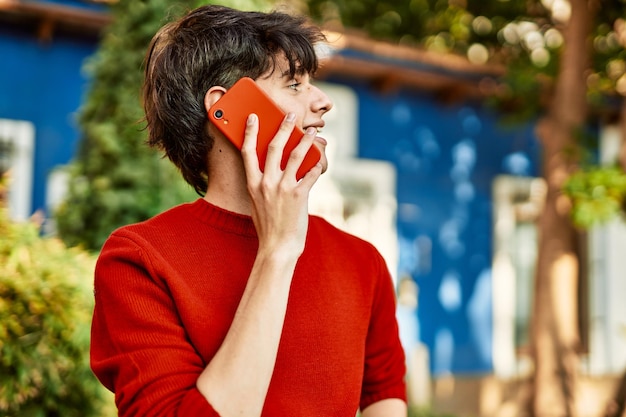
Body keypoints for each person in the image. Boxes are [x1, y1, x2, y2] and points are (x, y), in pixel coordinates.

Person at [90, 4, 407, 417]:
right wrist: (276, 252)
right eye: (294, 84)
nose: (324, 102)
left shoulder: (362, 261)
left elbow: (384, 395)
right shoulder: (139, 260)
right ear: (227, 110)